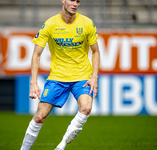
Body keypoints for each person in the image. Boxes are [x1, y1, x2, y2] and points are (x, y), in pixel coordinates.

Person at [20, 0, 100, 149]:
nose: (75, 4)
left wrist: (94, 77)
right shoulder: (50, 24)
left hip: (82, 76)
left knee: (86, 108)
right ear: (63, 0)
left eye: (78, 1)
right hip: (58, 77)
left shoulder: (87, 23)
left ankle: (61, 146)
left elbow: (95, 51)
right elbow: (36, 54)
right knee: (39, 117)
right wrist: (33, 82)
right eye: (71, 0)